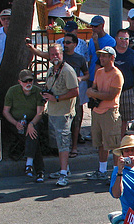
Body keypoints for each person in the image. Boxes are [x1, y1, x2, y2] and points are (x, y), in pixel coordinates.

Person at [43, 44, 79, 186]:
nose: (55, 57)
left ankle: (64, 174)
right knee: (58, 143)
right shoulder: (51, 70)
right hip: (52, 112)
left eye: (57, 54)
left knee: (64, 144)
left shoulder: (68, 70)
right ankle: (65, 169)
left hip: (63, 113)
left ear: (62, 54)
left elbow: (75, 91)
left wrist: (56, 98)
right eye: (52, 54)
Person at [86, 46, 124, 180]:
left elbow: (110, 96)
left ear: (112, 58)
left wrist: (94, 93)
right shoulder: (99, 72)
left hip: (110, 112)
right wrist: (94, 93)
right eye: (100, 56)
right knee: (101, 143)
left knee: (113, 145)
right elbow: (93, 88)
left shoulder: (117, 74)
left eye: (104, 56)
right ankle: (102, 171)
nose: (101, 58)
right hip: (97, 112)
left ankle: (115, 173)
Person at [3, 70, 46, 182]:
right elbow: (6, 111)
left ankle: (29, 164)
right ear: (19, 82)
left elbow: (40, 112)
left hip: (33, 120)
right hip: (16, 121)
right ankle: (39, 171)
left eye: (30, 80)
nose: (28, 83)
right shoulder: (12, 91)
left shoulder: (37, 91)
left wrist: (31, 124)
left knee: (32, 131)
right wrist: (15, 123)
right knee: (33, 138)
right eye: (25, 81)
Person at [61, 33, 90, 158]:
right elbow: (44, 55)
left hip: (75, 93)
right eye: (64, 42)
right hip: (62, 93)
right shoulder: (60, 56)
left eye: (68, 42)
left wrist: (80, 78)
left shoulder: (80, 58)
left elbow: (87, 74)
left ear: (75, 44)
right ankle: (63, 147)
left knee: (76, 120)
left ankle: (74, 147)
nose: (65, 45)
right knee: (63, 122)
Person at [114, 29, 134, 139]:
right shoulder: (110, 54)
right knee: (111, 119)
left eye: (126, 39)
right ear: (116, 39)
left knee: (124, 120)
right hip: (110, 93)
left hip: (127, 91)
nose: (124, 41)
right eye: (121, 38)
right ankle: (111, 144)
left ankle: (120, 143)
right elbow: (99, 67)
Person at [110, 135, 134, 217]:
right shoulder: (117, 170)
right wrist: (120, 172)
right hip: (132, 216)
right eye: (127, 151)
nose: (130, 153)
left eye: (133, 150)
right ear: (122, 153)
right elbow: (116, 194)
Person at [87, 16, 116, 86]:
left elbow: (102, 58)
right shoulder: (91, 40)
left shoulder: (110, 41)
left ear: (102, 25)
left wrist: (96, 43)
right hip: (92, 76)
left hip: (104, 78)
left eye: (96, 26)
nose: (93, 29)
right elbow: (90, 58)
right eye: (92, 26)